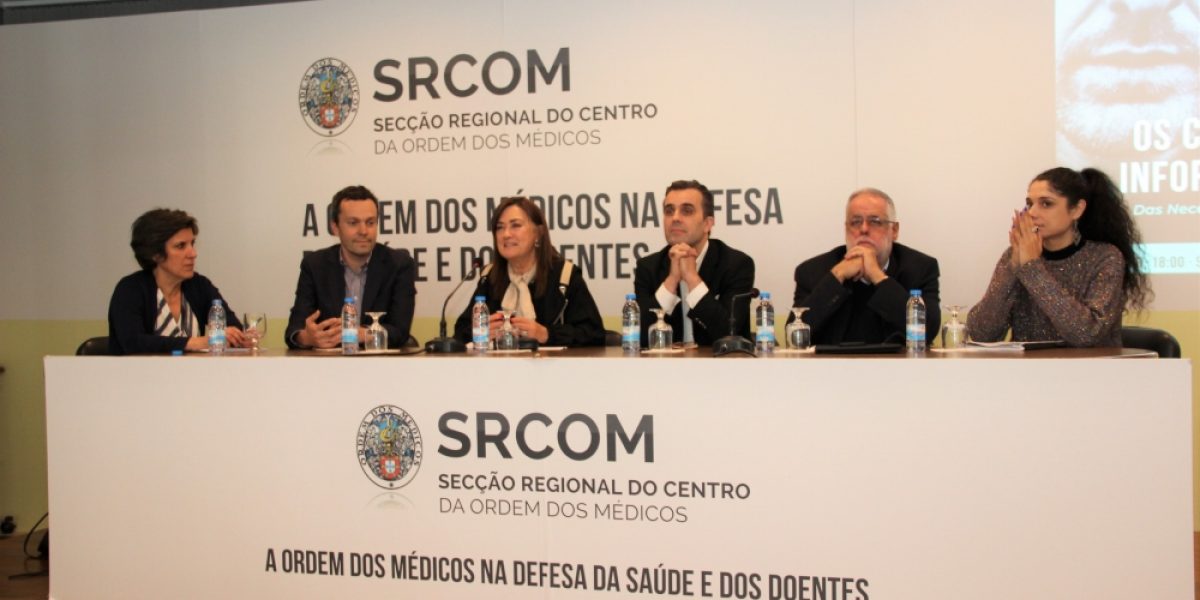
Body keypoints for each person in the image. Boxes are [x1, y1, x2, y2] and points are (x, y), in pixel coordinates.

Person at [968, 167, 1150, 347]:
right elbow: (981, 334)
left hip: (1090, 365)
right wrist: (1013, 267)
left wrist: (1031, 268)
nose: (1032, 213)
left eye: (1046, 204)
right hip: (1028, 366)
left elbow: (1087, 333)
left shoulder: (1106, 257)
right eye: (1030, 204)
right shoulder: (1016, 254)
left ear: (1077, 209)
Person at [790, 188, 940, 345]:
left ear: (894, 230)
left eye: (875, 221)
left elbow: (928, 331)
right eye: (855, 222)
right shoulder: (812, 271)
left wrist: (877, 276)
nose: (864, 229)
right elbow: (795, 337)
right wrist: (837, 276)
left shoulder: (920, 269)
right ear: (846, 228)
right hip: (834, 361)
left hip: (897, 361)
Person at [453, 196, 605, 346]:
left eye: (515, 225)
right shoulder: (489, 277)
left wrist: (546, 334)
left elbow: (594, 333)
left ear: (538, 233)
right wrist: (479, 332)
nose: (506, 234)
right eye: (500, 227)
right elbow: (460, 332)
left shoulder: (564, 276)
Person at [286, 185, 416, 349]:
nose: (363, 231)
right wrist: (308, 338)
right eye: (353, 223)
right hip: (330, 363)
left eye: (370, 222)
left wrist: (362, 334)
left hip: (380, 362)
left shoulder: (399, 265)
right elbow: (295, 329)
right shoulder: (315, 265)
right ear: (335, 227)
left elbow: (400, 332)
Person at [633, 180, 755, 346]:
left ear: (707, 224)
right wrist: (671, 281)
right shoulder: (648, 267)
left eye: (687, 211)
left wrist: (692, 278)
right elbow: (637, 338)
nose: (675, 218)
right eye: (669, 211)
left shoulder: (736, 265)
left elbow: (728, 334)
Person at [107, 209, 245, 355]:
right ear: (155, 254)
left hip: (193, 370)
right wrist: (194, 343)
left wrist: (240, 338)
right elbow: (134, 343)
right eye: (181, 246)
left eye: (192, 244)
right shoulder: (130, 289)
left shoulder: (199, 285)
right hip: (137, 370)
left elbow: (232, 327)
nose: (193, 253)